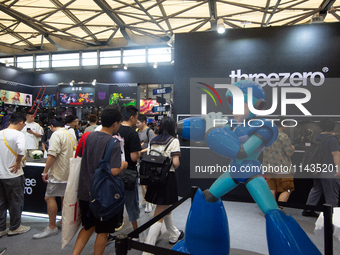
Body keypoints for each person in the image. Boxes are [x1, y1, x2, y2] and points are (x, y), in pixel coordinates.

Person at [72, 105, 127, 255]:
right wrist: (123, 165)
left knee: (88, 227)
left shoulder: (88, 137)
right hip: (102, 194)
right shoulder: (113, 142)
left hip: (85, 190)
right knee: (103, 232)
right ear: (115, 123)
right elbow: (114, 171)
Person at [142, 117, 183, 255]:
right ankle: (148, 248)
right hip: (167, 178)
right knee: (159, 212)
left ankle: (174, 234)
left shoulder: (153, 140)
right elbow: (175, 163)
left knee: (166, 206)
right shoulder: (174, 141)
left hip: (153, 177)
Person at [33, 117, 77, 239]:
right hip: (69, 171)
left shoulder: (56, 135)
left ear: (52, 126)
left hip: (58, 173)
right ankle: (63, 221)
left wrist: (45, 171)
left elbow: (52, 155)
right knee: (64, 197)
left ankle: (52, 227)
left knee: (49, 197)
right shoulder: (70, 133)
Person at [108, 106, 141, 243]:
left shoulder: (114, 130)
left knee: (113, 203)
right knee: (131, 204)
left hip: (113, 172)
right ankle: (136, 232)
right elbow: (134, 158)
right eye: (137, 117)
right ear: (132, 117)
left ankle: (108, 233)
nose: (137, 121)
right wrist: (139, 152)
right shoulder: (132, 133)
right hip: (129, 174)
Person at [0, 113, 31, 237]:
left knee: (1, 202)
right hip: (13, 175)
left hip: (0, 175)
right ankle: (15, 227)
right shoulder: (18, 134)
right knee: (15, 201)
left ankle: (1, 228)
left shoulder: (1, 133)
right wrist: (18, 161)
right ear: (21, 123)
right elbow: (21, 149)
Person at [302, 118, 340, 217]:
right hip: (328, 170)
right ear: (333, 127)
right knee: (331, 193)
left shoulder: (316, 137)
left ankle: (308, 209)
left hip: (317, 169)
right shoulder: (332, 139)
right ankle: (332, 215)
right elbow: (335, 154)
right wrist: (339, 169)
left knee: (316, 189)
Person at [262, 119, 295, 209]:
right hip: (283, 169)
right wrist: (292, 147)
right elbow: (289, 152)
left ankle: (272, 209)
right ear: (283, 125)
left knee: (272, 189)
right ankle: (279, 209)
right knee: (287, 189)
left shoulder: (268, 136)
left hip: (269, 168)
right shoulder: (283, 136)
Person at [136, 114, 156, 213]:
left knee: (147, 182)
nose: (137, 125)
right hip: (140, 161)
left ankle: (149, 202)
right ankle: (144, 199)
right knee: (142, 182)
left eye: (138, 123)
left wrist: (141, 151)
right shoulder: (137, 131)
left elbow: (153, 147)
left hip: (148, 160)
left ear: (144, 122)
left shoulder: (150, 132)